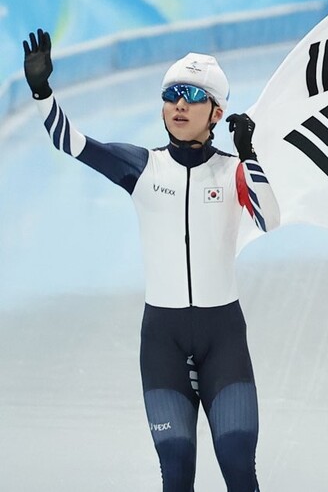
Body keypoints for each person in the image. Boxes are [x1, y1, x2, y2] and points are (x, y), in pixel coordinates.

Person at [23, 28, 279, 492]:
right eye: (171, 95)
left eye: (192, 96)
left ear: (216, 113)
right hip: (163, 341)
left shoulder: (233, 170)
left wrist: (250, 155)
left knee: (238, 463)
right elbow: (71, 142)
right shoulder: (142, 168)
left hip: (223, 340)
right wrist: (42, 91)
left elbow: (270, 218)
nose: (179, 104)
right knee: (176, 469)